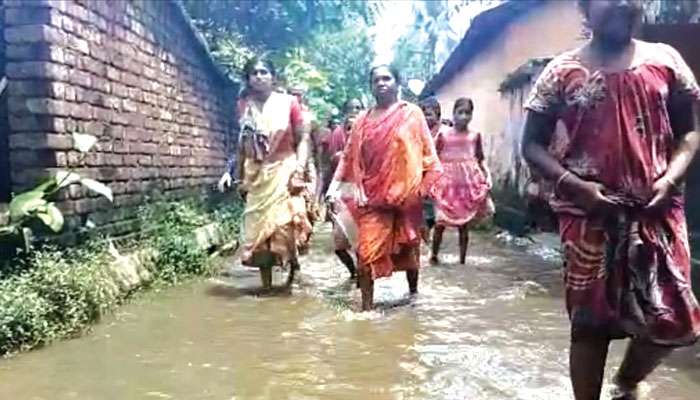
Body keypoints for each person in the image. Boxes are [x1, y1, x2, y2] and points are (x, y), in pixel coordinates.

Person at [521, 1, 700, 399]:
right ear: (584, 8)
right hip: (588, 215)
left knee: (675, 320)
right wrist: (574, 185)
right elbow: (531, 145)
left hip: (658, 210)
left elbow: (690, 133)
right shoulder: (560, 72)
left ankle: (627, 381)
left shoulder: (666, 61)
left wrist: (670, 179)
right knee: (589, 325)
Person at [327, 65, 442, 311]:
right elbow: (348, 157)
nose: (381, 83)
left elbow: (428, 156)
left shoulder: (412, 114)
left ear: (397, 82)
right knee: (365, 255)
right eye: (376, 79)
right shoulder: (362, 120)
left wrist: (420, 191)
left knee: (410, 253)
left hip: (406, 198)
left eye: (387, 78)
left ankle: (413, 296)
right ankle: (366, 309)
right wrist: (334, 187)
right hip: (371, 199)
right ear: (370, 86)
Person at [218, 57, 313, 292]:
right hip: (256, 175)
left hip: (285, 169)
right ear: (248, 79)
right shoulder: (244, 106)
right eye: (254, 73)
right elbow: (243, 145)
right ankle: (267, 285)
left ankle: (293, 268)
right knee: (259, 232)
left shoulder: (289, 103)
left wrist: (300, 170)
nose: (259, 76)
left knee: (285, 225)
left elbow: (302, 140)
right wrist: (237, 176)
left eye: (264, 72)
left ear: (273, 77)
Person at [430, 98, 493, 265]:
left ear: (472, 115)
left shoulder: (475, 136)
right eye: (460, 112)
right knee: (440, 222)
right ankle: (434, 256)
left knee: (464, 224)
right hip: (447, 184)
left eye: (468, 113)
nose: (464, 117)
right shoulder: (443, 135)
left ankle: (462, 261)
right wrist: (431, 179)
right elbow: (434, 158)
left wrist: (488, 175)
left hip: (467, 185)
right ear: (454, 113)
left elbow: (480, 159)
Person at [321, 98, 364, 278]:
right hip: (341, 198)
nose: (351, 131)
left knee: (361, 245)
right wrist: (326, 196)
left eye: (358, 107)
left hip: (362, 198)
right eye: (348, 128)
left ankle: (362, 278)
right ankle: (354, 273)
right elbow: (331, 174)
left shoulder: (367, 148)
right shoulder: (338, 153)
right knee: (339, 246)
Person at [419, 96, 452, 240]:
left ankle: (431, 243)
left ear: (437, 115)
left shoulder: (444, 131)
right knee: (425, 214)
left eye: (429, 114)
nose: (426, 118)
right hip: (423, 176)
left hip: (441, 177)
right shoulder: (420, 131)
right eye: (423, 115)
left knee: (439, 215)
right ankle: (425, 244)